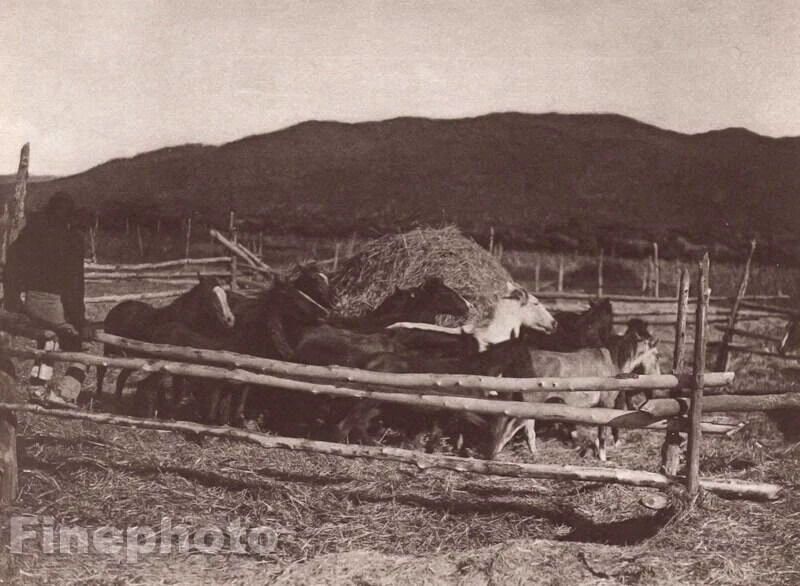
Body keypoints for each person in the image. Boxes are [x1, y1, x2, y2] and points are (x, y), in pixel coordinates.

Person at [3, 191, 88, 407]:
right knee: (80, 348)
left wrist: (15, 298)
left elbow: (11, 261)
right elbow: (74, 286)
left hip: (30, 300)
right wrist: (79, 320)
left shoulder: (32, 233)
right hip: (53, 303)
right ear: (70, 216)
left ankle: (38, 388)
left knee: (48, 339)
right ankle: (65, 393)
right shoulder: (72, 241)